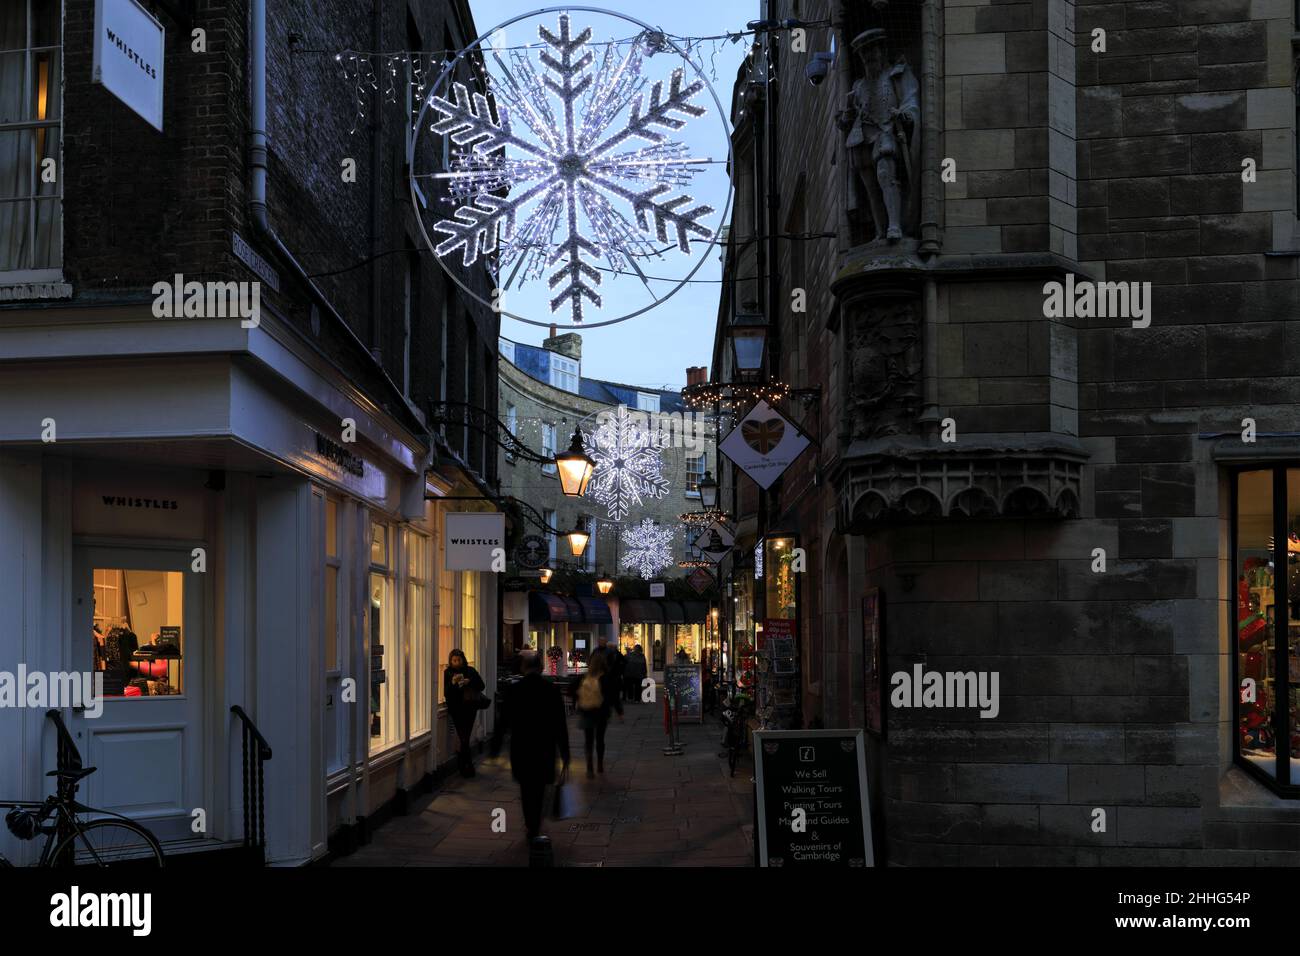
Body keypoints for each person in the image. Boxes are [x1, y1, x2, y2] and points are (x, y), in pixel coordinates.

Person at [491, 651, 570, 843]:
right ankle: (535, 823)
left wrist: (496, 746)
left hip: (522, 747)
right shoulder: (550, 690)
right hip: (545, 746)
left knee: (526, 789)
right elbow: (560, 723)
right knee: (541, 787)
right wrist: (565, 752)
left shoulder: (515, 690)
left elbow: (503, 722)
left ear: (523, 668)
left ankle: (531, 824)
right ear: (541, 668)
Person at [575, 650, 620, 777]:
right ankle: (599, 763)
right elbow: (613, 695)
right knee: (600, 738)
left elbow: (572, 690)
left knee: (588, 739)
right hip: (601, 712)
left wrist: (578, 700)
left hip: (587, 711)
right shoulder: (606, 678)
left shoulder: (584, 677)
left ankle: (589, 764)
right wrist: (619, 711)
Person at [443, 648, 485, 777]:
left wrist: (469, 681)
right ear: (450, 661)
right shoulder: (448, 673)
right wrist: (453, 683)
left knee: (464, 736)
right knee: (463, 737)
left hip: (469, 707)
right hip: (456, 709)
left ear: (463, 660)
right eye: (454, 660)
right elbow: (446, 693)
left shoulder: (470, 671)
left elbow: (482, 685)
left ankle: (464, 766)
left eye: (458, 660)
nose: (456, 663)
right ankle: (467, 766)